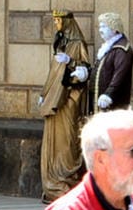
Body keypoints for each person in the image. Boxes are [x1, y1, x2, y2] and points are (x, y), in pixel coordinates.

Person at [37, 13, 93, 199]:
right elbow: (54, 72)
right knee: (55, 143)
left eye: (59, 20)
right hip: (55, 100)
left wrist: (71, 62)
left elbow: (84, 72)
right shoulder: (60, 41)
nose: (56, 23)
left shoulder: (77, 43)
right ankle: (53, 183)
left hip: (69, 100)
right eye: (54, 20)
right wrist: (45, 93)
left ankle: (67, 182)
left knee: (68, 143)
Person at [92, 13, 133, 111]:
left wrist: (108, 94)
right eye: (100, 27)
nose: (100, 30)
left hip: (113, 103)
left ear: (115, 29)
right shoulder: (108, 47)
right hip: (100, 101)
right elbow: (101, 70)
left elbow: (120, 75)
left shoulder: (122, 49)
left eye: (104, 27)